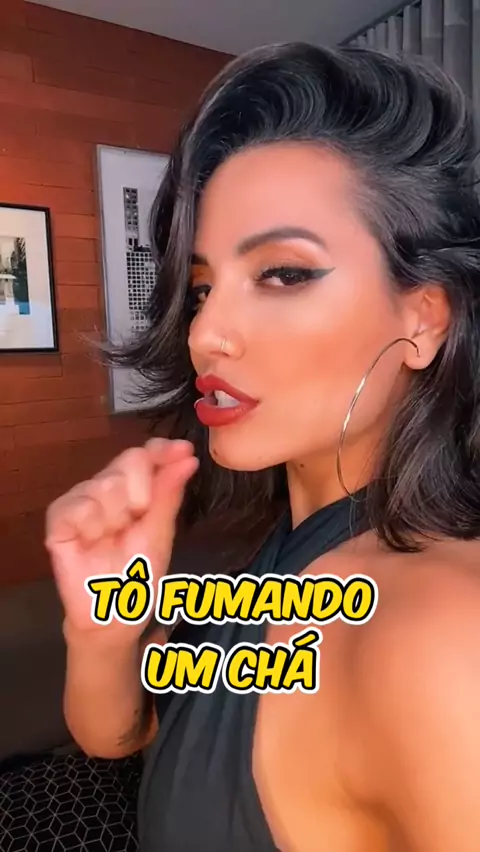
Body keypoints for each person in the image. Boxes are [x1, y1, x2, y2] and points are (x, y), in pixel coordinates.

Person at [45, 42, 480, 852]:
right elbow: (128, 735)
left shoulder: (439, 634)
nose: (205, 332)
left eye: (282, 273)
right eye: (203, 288)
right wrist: (102, 627)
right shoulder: (274, 547)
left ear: (424, 318)